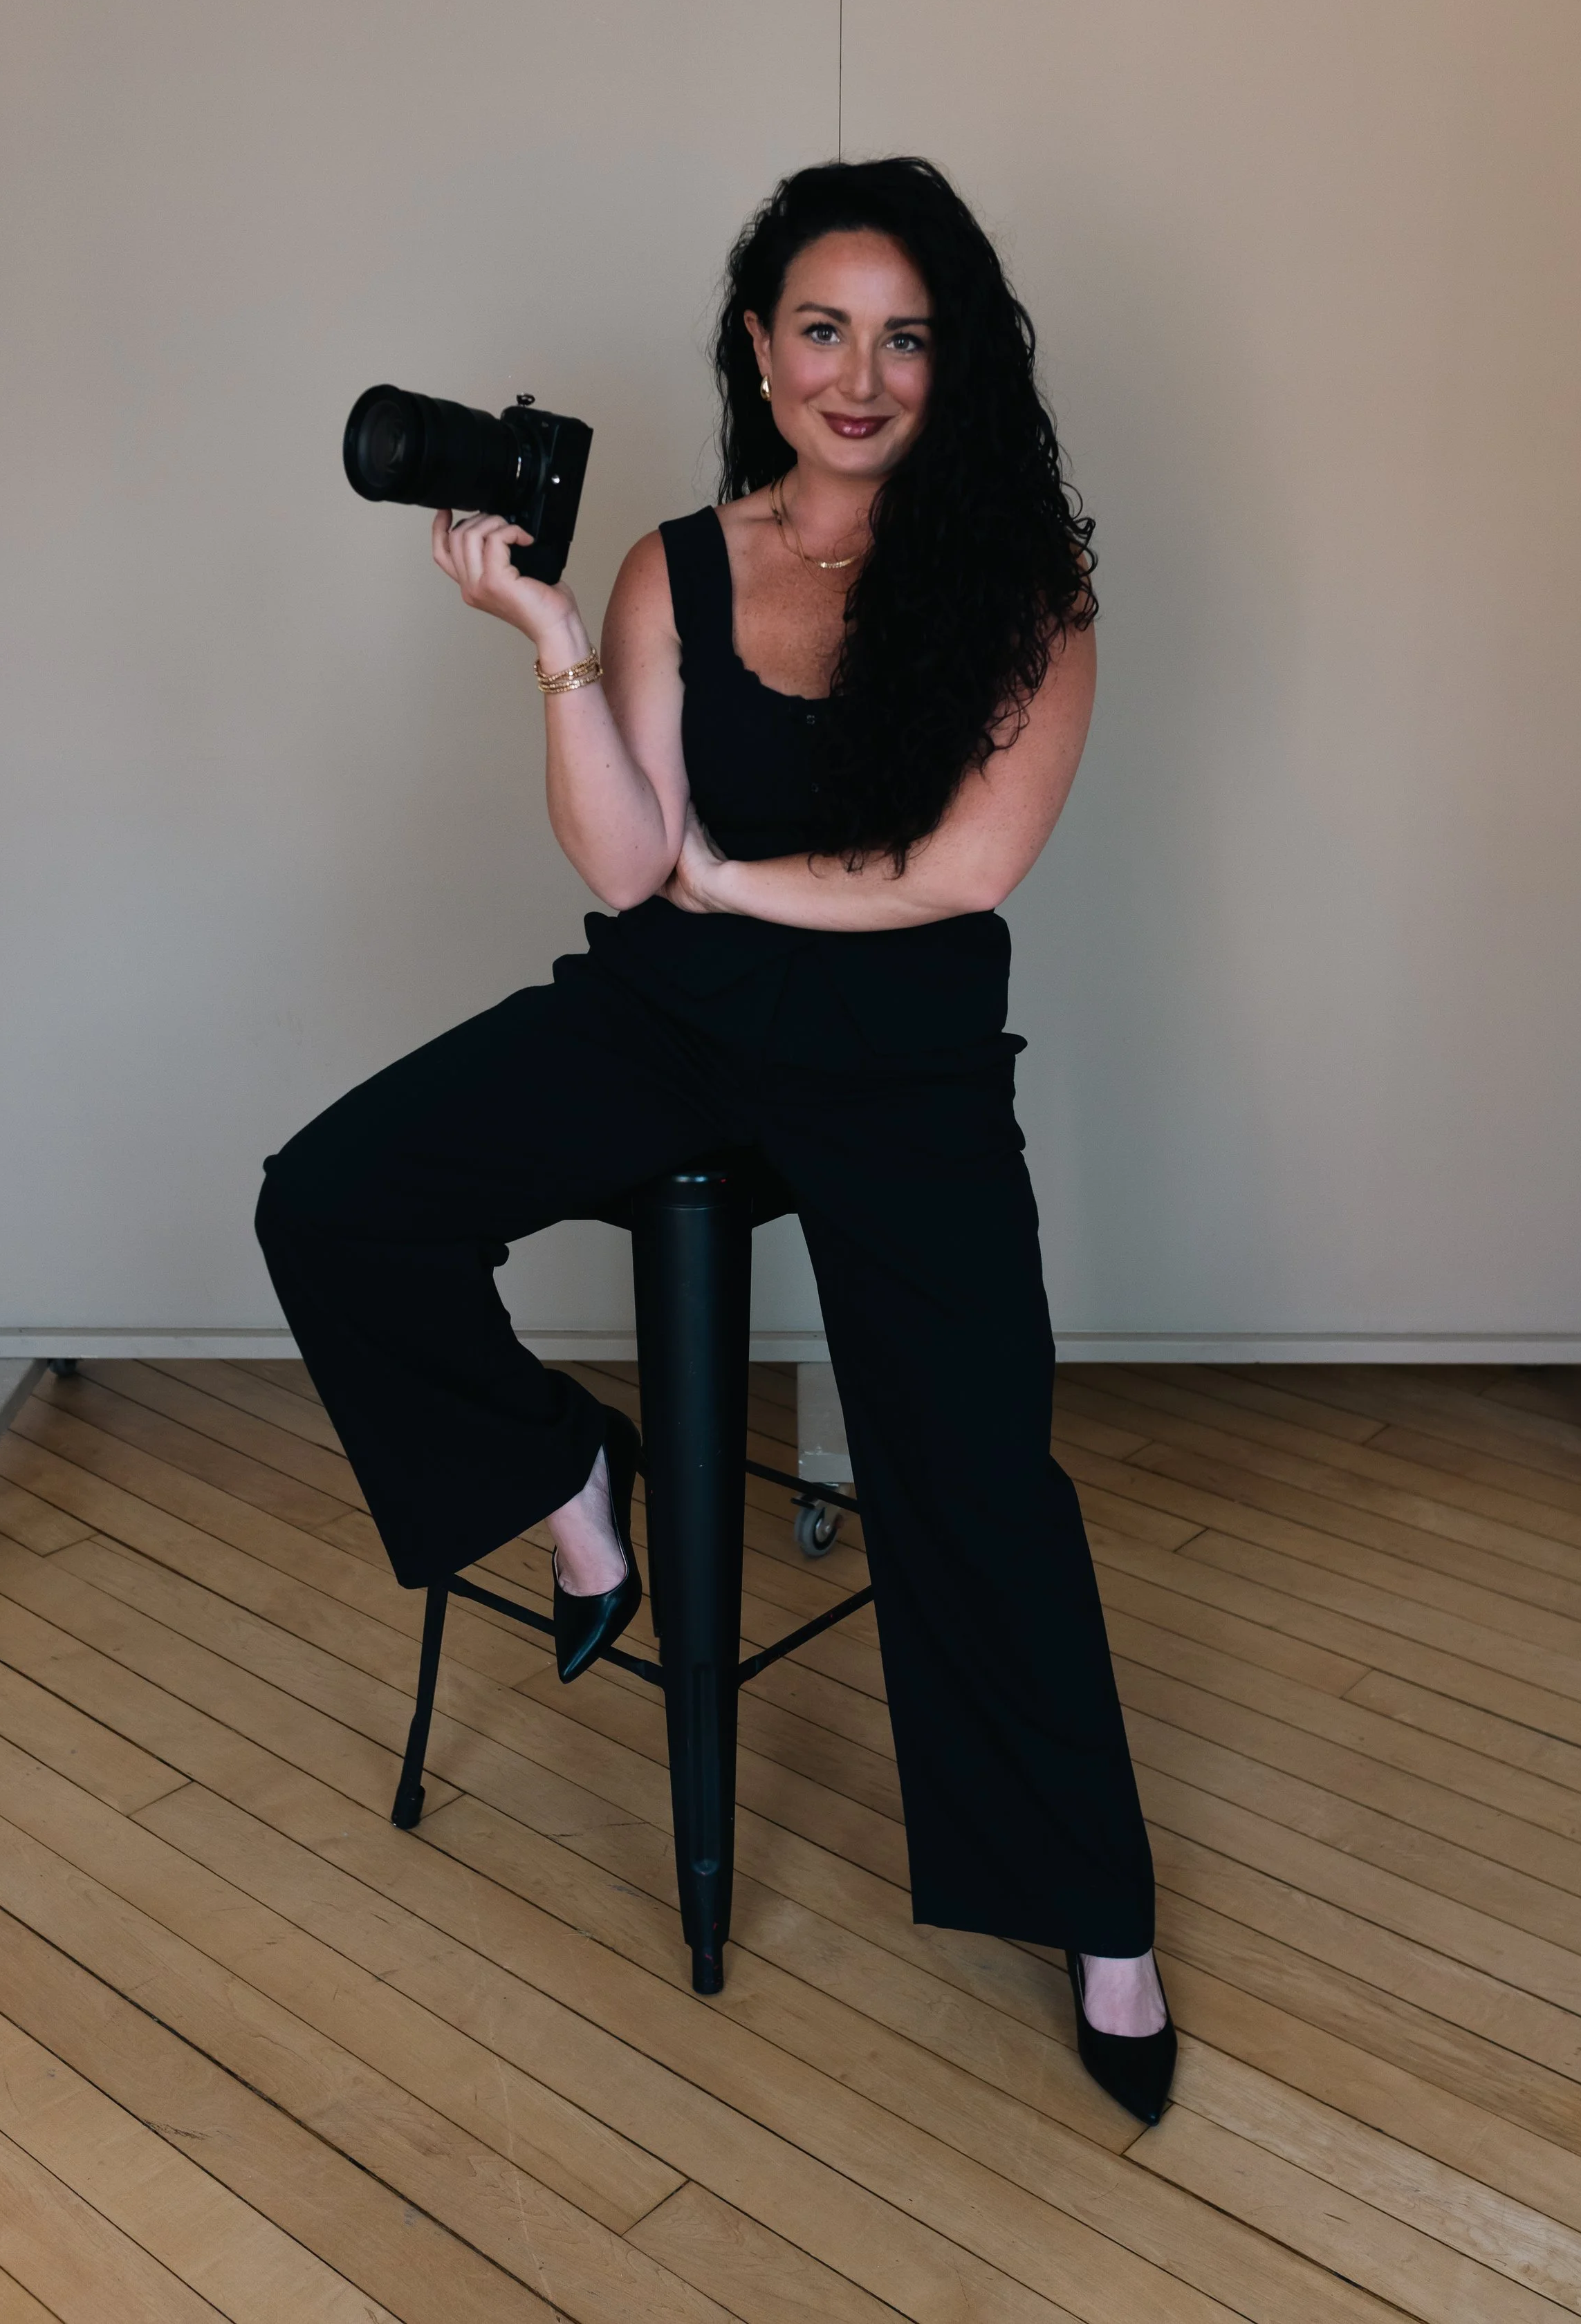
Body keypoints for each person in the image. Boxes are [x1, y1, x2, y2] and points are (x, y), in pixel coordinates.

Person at [255, 156, 1175, 2122]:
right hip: (666, 1023)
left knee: (974, 1473)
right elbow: (621, 855)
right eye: (822, 328)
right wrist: (550, 642)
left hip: (902, 1062)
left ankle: (1097, 1915)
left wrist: (738, 886)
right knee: (331, 1199)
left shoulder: (1020, 582)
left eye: (904, 335)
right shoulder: (673, 561)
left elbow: (957, 874)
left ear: (955, 363)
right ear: (756, 350)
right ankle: (565, 1464)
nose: (861, 374)